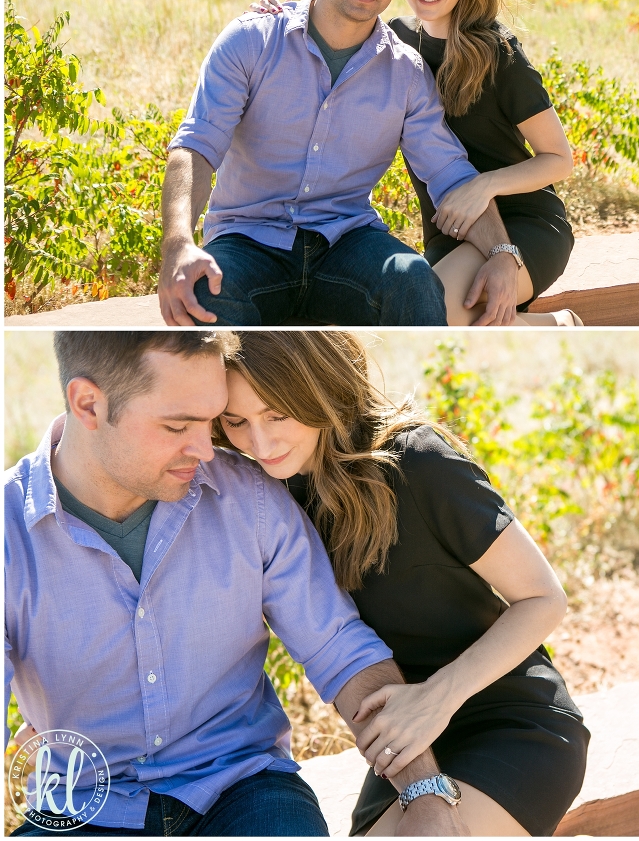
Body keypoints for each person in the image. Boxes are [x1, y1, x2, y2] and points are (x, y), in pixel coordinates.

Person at [4, 331, 469, 837]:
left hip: (245, 790)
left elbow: (339, 648)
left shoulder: (249, 497)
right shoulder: (10, 535)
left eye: (211, 421)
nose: (205, 450)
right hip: (81, 806)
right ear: (89, 404)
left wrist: (424, 792)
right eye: (178, 425)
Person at [214, 331, 590, 837]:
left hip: (507, 719)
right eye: (237, 421)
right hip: (406, 744)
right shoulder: (266, 495)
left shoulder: (418, 462)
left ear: (319, 389)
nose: (259, 443)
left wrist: (436, 698)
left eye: (278, 414)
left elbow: (544, 598)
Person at [159, 0, 520, 328]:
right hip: (247, 239)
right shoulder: (252, 41)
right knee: (207, 293)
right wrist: (178, 242)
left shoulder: (406, 73)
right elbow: (197, 146)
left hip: (347, 244)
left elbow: (449, 174)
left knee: (412, 279)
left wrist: (502, 253)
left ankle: (425, 395)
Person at [254, 0, 581, 327]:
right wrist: (276, 17)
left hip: (525, 229)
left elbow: (560, 158)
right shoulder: (396, 42)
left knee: (433, 319)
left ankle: (560, 327)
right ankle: (549, 327)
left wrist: (483, 186)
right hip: (449, 232)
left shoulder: (501, 57)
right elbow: (328, 16)